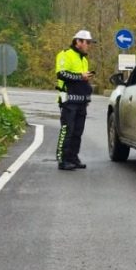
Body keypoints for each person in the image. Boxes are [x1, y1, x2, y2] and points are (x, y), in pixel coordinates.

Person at [55, 30, 97, 170]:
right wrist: (81, 77)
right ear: (78, 42)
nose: (89, 45)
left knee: (78, 131)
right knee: (67, 130)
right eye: (87, 42)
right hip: (68, 100)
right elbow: (61, 74)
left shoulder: (84, 59)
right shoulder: (65, 54)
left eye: (90, 43)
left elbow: (83, 80)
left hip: (81, 101)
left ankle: (73, 157)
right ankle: (62, 159)